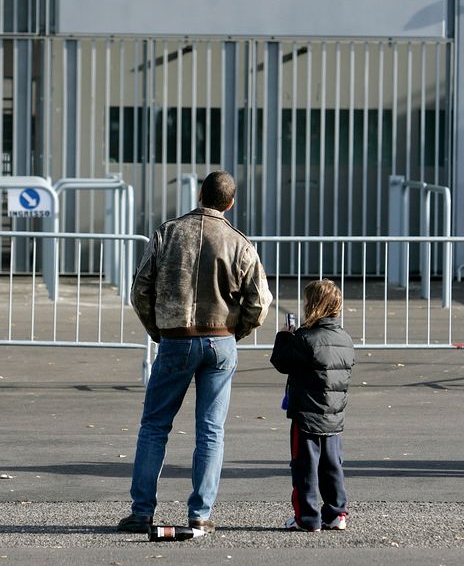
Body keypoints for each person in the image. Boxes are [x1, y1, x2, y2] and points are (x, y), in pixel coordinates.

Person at [118, 171, 273, 534]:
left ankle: (142, 510)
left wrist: (158, 329)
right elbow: (259, 303)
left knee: (155, 425)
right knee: (211, 430)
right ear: (230, 203)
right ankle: (200, 513)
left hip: (176, 336)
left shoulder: (168, 232)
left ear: (200, 193)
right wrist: (237, 332)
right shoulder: (241, 243)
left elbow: (140, 290)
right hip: (220, 340)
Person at [270, 278, 355, 533]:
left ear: (314, 305)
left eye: (307, 301)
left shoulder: (306, 338)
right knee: (332, 466)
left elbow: (281, 361)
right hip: (334, 413)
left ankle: (307, 517)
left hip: (306, 414)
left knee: (304, 467)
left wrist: (285, 335)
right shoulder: (345, 339)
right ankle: (336, 512)